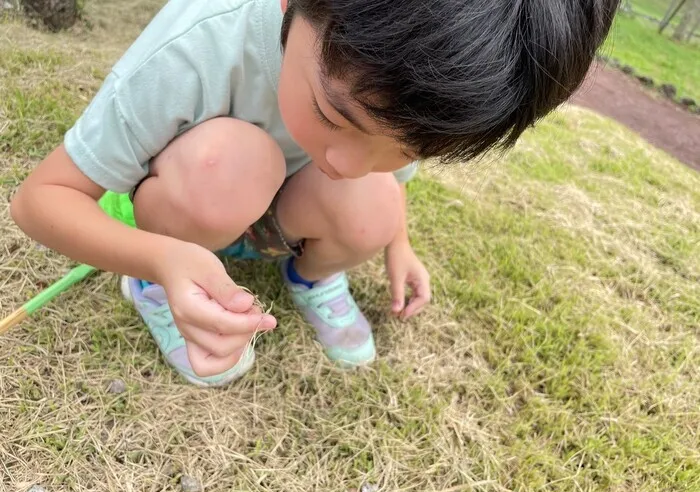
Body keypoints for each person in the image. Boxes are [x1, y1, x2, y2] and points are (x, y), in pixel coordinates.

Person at [10, 0, 620, 387]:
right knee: (233, 161)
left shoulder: (395, 103)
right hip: (190, 199)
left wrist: (397, 243)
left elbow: (380, 172)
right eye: (334, 114)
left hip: (273, 208)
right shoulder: (200, 41)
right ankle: (160, 284)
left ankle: (312, 275)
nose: (348, 164)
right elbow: (41, 200)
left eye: (408, 149)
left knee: (376, 204)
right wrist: (160, 259)